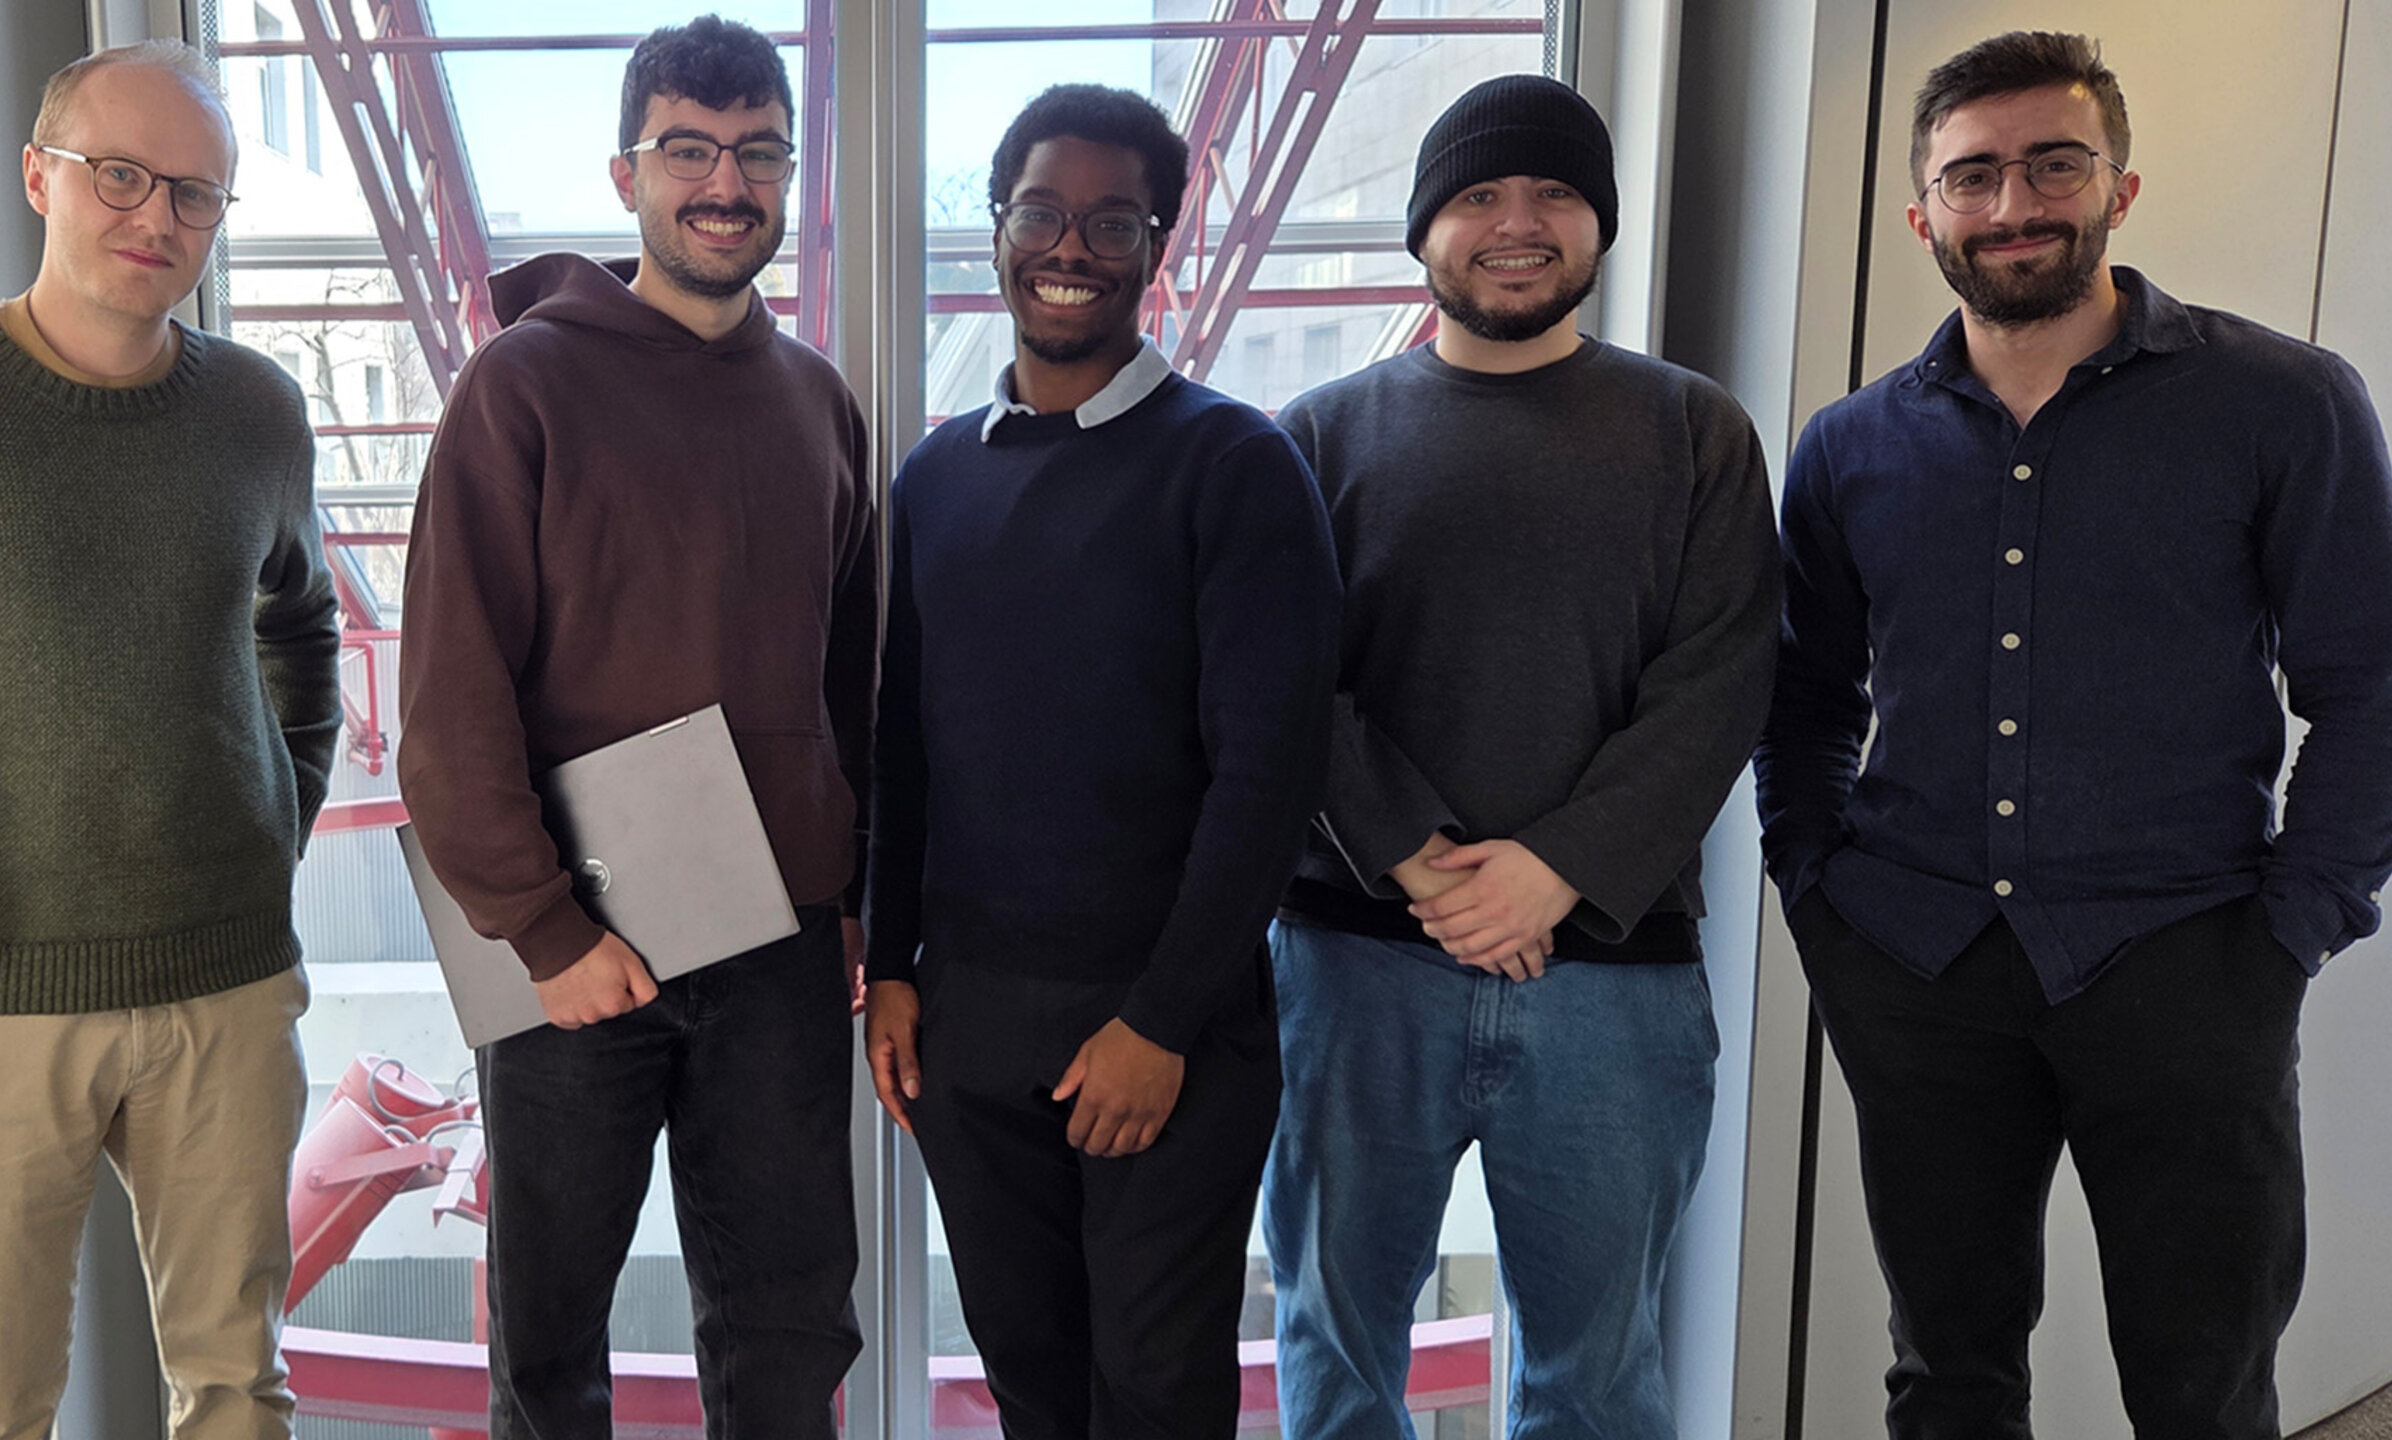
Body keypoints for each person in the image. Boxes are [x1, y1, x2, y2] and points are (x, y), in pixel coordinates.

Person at [1755, 31, 2392, 1440]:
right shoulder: (1849, 447)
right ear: (1923, 214)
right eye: (1971, 176)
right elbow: (1805, 699)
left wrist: (2297, 922)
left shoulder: (2281, 404)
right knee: (1946, 1375)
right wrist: (1814, 885)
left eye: (2054, 163)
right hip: (1916, 967)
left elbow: (2369, 684)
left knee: (2204, 1384)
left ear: (2122, 185)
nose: (2013, 205)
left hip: (2188, 966)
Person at [1259, 74, 1781, 1439]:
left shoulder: (1696, 431)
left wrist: (1555, 868)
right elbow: (1277, 681)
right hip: (1354, 961)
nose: (1518, 222)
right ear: (1425, 230)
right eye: (1480, 193)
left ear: (1599, 226)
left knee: (1599, 1376)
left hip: (1615, 980)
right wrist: (1419, 861)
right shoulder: (1316, 437)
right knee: (1337, 1351)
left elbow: (1723, 678)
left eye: (1555, 192)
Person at [0, 40, 337, 1440]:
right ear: (38, 173)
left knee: (239, 1390)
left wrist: (280, 804)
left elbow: (302, 627)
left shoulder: (258, 409)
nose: (155, 216)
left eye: (194, 193)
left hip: (231, 988)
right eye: (120, 172)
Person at [395, 16, 875, 1438]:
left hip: (782, 942)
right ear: (626, 175)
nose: (724, 184)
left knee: (790, 1321)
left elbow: (852, 683)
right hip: (577, 946)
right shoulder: (522, 384)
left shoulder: (819, 403)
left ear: (790, 176)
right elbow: (450, 694)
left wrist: (854, 896)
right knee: (551, 1345)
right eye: (688, 151)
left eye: (757, 153)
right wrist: (544, 932)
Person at [860, 83, 1339, 1439]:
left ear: (1156, 244)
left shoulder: (1235, 466)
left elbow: (1271, 770)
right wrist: (891, 966)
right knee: (1031, 1380)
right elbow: (905, 744)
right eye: (1042, 213)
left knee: (1157, 1390)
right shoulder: (938, 476)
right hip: (968, 1022)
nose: (1071, 247)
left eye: (1112, 221)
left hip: (1165, 1027)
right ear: (998, 230)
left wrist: (1162, 1021)